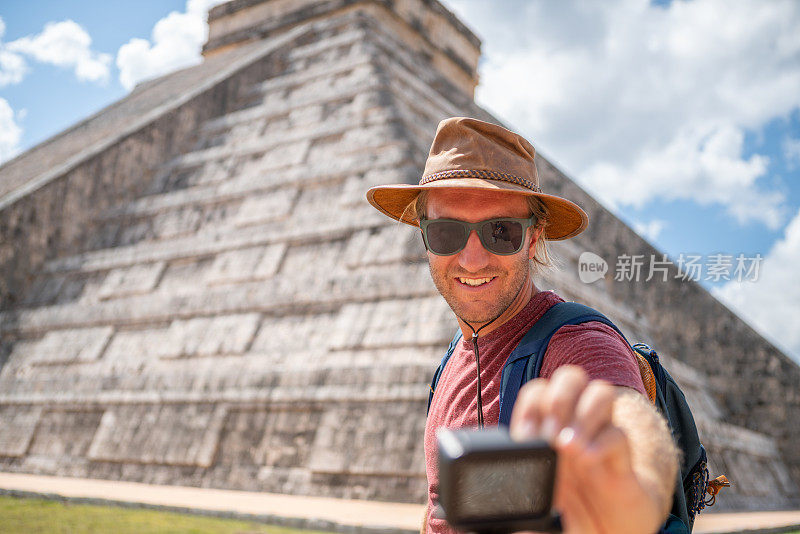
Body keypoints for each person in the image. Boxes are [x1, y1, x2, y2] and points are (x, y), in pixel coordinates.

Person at [367, 117, 679, 534]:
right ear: (423, 236)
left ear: (534, 238)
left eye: (501, 232)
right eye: (445, 232)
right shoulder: (450, 362)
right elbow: (439, 504)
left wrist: (633, 494)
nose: (471, 259)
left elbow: (627, 419)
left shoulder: (576, 341)